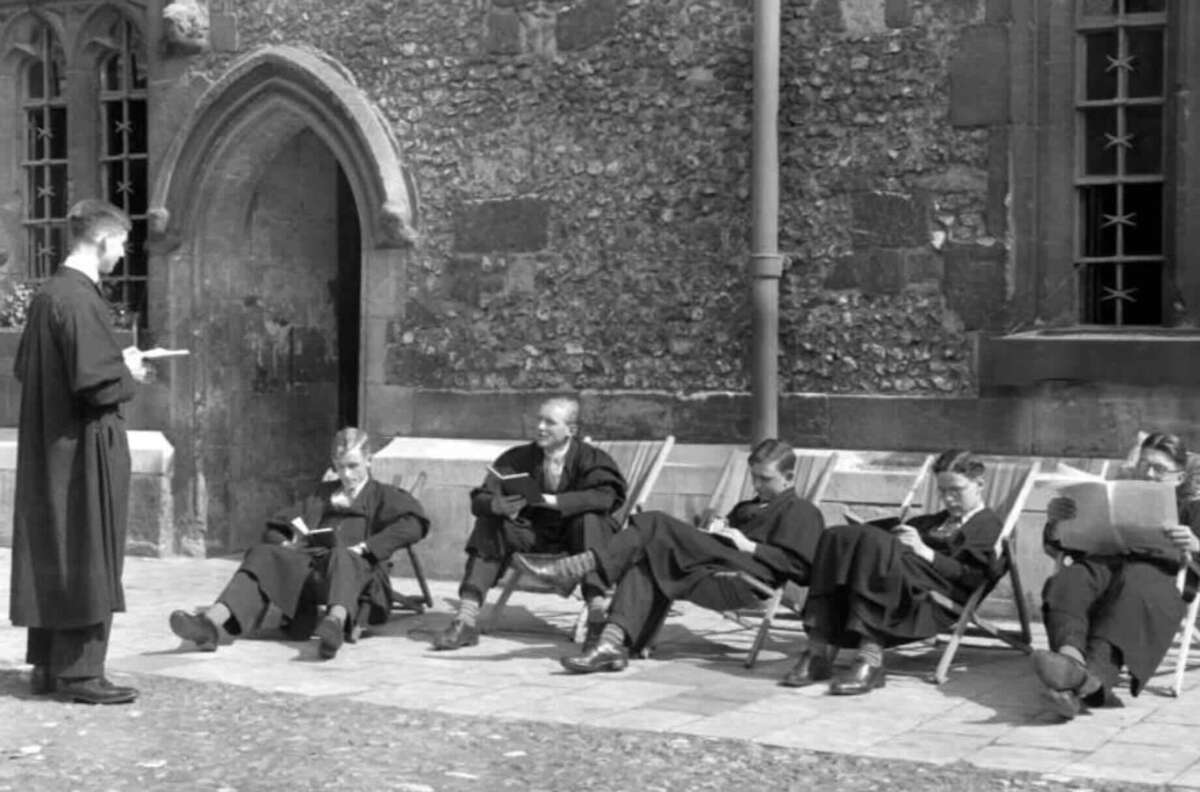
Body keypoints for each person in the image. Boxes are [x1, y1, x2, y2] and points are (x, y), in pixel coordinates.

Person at [519, 437, 825, 674]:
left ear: (789, 477)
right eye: (754, 478)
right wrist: (715, 528)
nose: (757, 485)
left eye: (766, 479)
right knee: (648, 559)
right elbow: (717, 541)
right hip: (707, 568)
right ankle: (611, 645)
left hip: (747, 580)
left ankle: (577, 568)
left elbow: (801, 569)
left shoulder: (803, 512)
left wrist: (750, 546)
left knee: (654, 522)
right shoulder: (748, 507)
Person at [9, 199, 151, 705]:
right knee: (89, 547)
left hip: (52, 444)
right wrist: (128, 371)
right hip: (85, 446)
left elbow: (32, 368)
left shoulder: (49, 296)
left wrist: (113, 360)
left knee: (57, 547)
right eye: (121, 246)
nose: (121, 256)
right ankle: (80, 672)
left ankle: (49, 663)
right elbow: (94, 382)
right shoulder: (82, 298)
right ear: (103, 240)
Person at [169, 428, 429, 660]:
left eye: (353, 466)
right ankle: (210, 625)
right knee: (262, 554)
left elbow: (415, 523)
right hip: (312, 572)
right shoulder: (324, 494)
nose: (346, 474)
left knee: (341, 554)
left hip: (358, 574)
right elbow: (277, 523)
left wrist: (367, 548)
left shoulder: (383, 495)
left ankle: (334, 625)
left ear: (369, 461)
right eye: (340, 467)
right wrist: (288, 542)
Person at [781, 449, 1002, 695]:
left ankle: (870, 659)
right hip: (902, 577)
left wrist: (923, 551)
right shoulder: (934, 520)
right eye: (942, 491)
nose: (948, 499)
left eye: (956, 490)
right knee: (838, 536)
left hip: (936, 593)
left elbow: (973, 576)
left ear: (979, 484)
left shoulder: (988, 525)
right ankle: (817, 651)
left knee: (874, 545)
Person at [432, 397, 627, 651]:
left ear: (572, 430)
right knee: (490, 524)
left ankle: (597, 618)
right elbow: (481, 498)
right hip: (533, 535)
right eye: (539, 420)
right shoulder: (517, 457)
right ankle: (465, 620)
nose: (541, 427)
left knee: (591, 520)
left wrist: (555, 500)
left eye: (550, 422)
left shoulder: (592, 459)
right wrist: (497, 505)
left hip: (578, 538)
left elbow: (607, 496)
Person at [1035, 432, 1200, 720]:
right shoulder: (1114, 494)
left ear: (1179, 476)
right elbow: (1058, 547)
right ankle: (1071, 657)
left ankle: (1089, 681)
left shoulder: (1193, 509)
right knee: (1070, 580)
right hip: (1102, 563)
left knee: (1135, 586)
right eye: (1144, 465)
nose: (1148, 474)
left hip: (1155, 577)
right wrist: (1057, 522)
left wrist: (1195, 544)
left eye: (1159, 469)